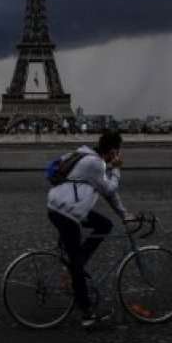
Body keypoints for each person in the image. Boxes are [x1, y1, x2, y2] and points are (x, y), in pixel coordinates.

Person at [47, 130, 134, 328]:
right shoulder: (95, 163)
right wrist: (117, 169)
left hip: (62, 206)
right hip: (66, 212)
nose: (119, 154)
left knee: (105, 225)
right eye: (118, 151)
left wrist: (124, 214)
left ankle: (75, 262)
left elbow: (108, 194)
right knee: (76, 264)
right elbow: (110, 190)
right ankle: (87, 314)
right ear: (112, 150)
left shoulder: (86, 154)